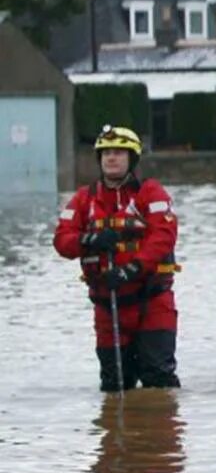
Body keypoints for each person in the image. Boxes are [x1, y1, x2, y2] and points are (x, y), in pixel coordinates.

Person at [53, 125, 181, 392]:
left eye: (119, 153)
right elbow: (62, 241)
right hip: (107, 306)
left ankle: (159, 431)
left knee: (158, 379)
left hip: (151, 301)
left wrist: (131, 269)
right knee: (114, 384)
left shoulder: (151, 193)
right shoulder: (83, 200)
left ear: (131, 159)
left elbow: (163, 236)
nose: (112, 158)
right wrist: (88, 240)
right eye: (107, 153)